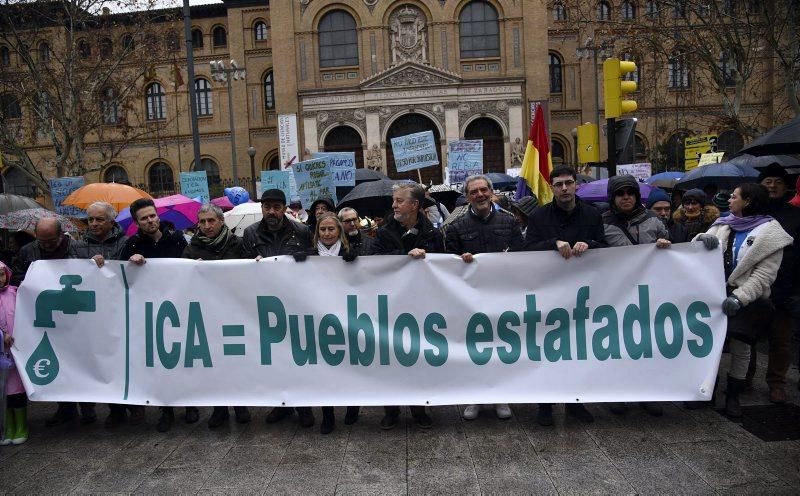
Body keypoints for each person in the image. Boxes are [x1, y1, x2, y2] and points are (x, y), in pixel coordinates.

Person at [695, 183, 793, 417]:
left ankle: (733, 396)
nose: (729, 200)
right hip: (713, 295)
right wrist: (701, 239)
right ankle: (707, 392)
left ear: (747, 201)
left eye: (734, 196)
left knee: (741, 348)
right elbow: (696, 249)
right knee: (711, 346)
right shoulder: (722, 224)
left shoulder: (770, 233)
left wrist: (740, 298)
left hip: (744, 300)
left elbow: (764, 275)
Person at [522, 166, 605, 426]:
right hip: (550, 293)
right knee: (548, 350)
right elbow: (527, 250)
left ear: (577, 185)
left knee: (577, 350)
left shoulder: (593, 215)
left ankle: (575, 403)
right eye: (559, 184)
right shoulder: (539, 217)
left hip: (582, 295)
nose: (565, 188)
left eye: (569, 183)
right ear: (552, 187)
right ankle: (545, 405)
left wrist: (590, 245)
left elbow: (606, 247)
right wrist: (553, 243)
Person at [445, 175, 523, 421]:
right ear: (467, 197)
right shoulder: (456, 227)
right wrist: (460, 260)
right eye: (474, 192)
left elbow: (523, 256)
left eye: (483, 190)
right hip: (470, 298)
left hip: (502, 295)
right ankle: (475, 396)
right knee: (474, 348)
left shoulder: (509, 222)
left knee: (501, 346)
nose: (479, 195)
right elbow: (446, 263)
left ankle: (501, 395)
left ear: (491, 192)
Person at [370, 182, 444, 430]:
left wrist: (427, 257)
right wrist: (404, 258)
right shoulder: (383, 232)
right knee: (390, 359)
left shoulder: (433, 233)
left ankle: (418, 409)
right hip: (391, 306)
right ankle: (391, 410)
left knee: (417, 358)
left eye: (399, 201)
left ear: (414, 205)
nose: (394, 205)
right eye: (394, 201)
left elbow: (444, 264)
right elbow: (374, 263)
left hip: (420, 306)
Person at [120, 198, 198, 433]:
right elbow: (120, 275)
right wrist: (130, 263)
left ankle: (189, 404)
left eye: (152, 215)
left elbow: (188, 264)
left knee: (185, 357)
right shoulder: (132, 245)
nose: (150, 221)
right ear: (137, 222)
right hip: (152, 311)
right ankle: (167, 410)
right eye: (144, 218)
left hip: (180, 306)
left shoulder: (176, 238)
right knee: (162, 361)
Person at [241, 189, 315, 428]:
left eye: (276, 207)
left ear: (284, 208)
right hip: (266, 304)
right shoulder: (250, 233)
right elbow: (240, 266)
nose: (271, 212)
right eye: (267, 207)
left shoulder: (301, 231)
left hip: (296, 302)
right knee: (276, 357)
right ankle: (281, 403)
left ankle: (303, 405)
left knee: (297, 354)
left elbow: (315, 261)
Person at [11, 218, 94, 426]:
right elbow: (15, 276)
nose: (46, 245)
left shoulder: (81, 248)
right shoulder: (27, 251)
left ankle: (88, 408)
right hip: (48, 320)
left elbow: (96, 275)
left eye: (51, 241)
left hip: (78, 318)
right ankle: (65, 408)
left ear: (61, 234)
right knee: (57, 361)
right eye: (42, 241)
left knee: (81, 361)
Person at [601, 175, 670, 417]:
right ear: (613, 198)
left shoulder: (653, 221)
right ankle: (620, 393)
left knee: (646, 345)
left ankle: (648, 393)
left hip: (648, 294)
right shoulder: (603, 223)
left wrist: (666, 245)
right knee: (619, 346)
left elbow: (674, 249)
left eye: (630, 192)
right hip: (616, 295)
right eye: (621, 193)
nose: (626, 197)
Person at [183, 203, 252, 428]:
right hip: (208, 313)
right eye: (202, 222)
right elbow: (180, 276)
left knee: (235, 360)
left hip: (234, 310)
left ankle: (240, 405)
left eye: (211, 221)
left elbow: (251, 271)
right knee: (215, 362)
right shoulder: (192, 248)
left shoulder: (238, 244)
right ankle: (219, 408)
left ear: (222, 221)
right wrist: (191, 270)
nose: (207, 226)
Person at [75, 201, 143, 427]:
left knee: (127, 358)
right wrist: (88, 265)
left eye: (99, 219)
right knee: (104, 359)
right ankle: (115, 409)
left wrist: (138, 260)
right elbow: (72, 275)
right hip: (95, 313)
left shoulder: (127, 242)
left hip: (123, 309)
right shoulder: (78, 246)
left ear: (111, 221)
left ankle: (135, 407)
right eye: (90, 219)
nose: (94, 224)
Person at [296, 212, 360, 434]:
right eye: (322, 230)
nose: (327, 233)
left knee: (351, 364)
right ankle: (328, 414)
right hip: (321, 319)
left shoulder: (351, 253)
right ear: (317, 233)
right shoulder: (310, 255)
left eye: (331, 229)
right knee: (325, 368)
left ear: (339, 231)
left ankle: (353, 406)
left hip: (348, 317)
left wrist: (356, 261)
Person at [744, 164, 800, 403]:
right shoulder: (749, 215)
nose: (773, 186)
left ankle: (777, 383)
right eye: (768, 181)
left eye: (778, 181)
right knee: (748, 336)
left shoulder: (795, 215)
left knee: (781, 340)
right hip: (754, 287)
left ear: (786, 186)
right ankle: (744, 377)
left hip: (785, 287)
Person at [1, 261, 26, 445]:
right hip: (1, 351)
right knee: (3, 390)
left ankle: (21, 425)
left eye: (1, 275)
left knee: (17, 388)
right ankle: (8, 425)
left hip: (16, 350)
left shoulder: (16, 293)